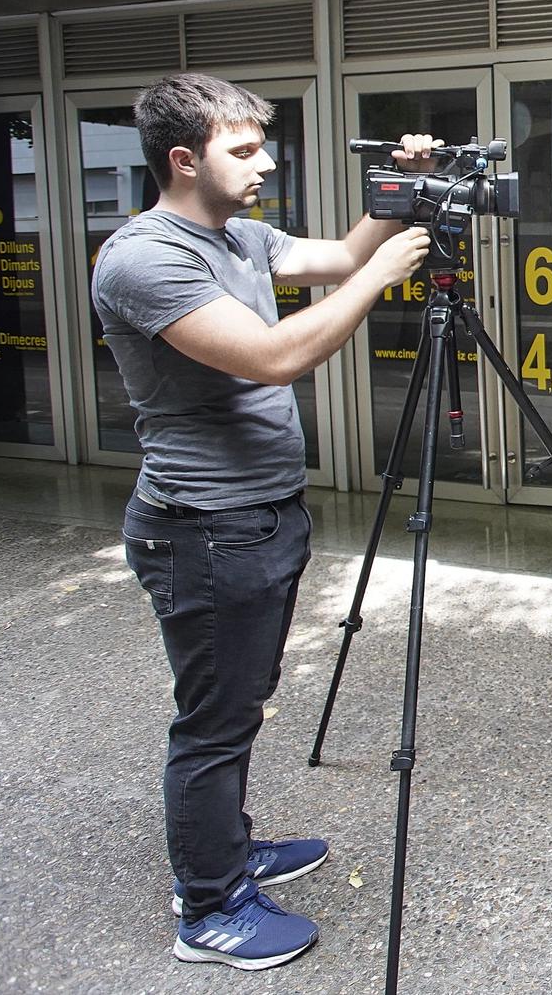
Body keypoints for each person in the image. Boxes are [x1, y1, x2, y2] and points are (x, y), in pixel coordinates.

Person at [92, 73, 435, 969]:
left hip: (256, 516)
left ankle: (229, 850)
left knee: (238, 704)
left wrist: (390, 200)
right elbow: (277, 357)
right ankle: (208, 908)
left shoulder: (238, 234)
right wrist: (383, 277)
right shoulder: (143, 257)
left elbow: (340, 253)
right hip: (202, 527)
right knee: (212, 721)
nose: (265, 160)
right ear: (182, 159)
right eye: (241, 149)